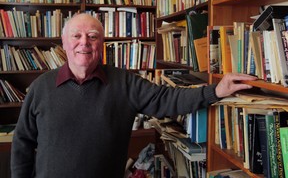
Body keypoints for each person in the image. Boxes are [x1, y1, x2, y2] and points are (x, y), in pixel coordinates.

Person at [11, 13, 257, 178]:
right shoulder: (41, 87)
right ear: (64, 43)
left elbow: (167, 99)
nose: (84, 43)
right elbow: (22, 144)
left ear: (101, 44)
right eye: (76, 36)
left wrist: (216, 91)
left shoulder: (124, 83)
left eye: (93, 37)